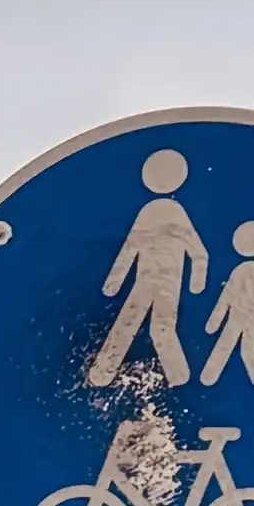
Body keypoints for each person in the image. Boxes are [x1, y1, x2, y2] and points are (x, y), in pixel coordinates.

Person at [89, 146, 209, 391]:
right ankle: (177, 378)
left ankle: (179, 379)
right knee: (145, 324)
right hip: (155, 281)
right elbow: (132, 247)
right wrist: (114, 282)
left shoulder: (164, 212)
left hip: (161, 282)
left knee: (150, 326)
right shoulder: (162, 212)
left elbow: (198, 252)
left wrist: (113, 284)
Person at [198, 222, 254, 387]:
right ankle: (210, 376)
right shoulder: (244, 271)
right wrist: (215, 321)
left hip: (252, 317)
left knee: (245, 348)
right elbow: (226, 297)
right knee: (229, 346)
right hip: (238, 316)